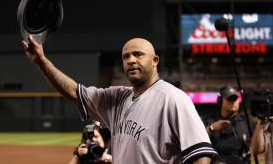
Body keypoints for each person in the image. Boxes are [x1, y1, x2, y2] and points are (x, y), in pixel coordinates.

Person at [22, 35, 217, 163]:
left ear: (155, 61)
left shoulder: (174, 99)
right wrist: (41, 61)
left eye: (138, 54)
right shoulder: (117, 97)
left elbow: (201, 155)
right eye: (126, 56)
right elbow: (74, 92)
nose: (131, 60)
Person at [203, 85, 254, 164]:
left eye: (235, 99)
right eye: (230, 99)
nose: (233, 102)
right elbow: (197, 141)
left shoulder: (246, 120)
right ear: (220, 101)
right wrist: (212, 128)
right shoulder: (209, 121)